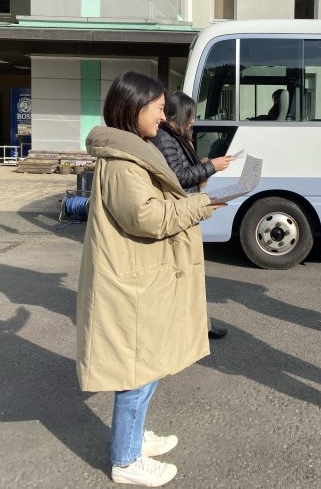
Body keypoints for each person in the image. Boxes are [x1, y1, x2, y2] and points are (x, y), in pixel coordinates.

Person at [76, 71, 220, 487]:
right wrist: (200, 205)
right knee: (135, 373)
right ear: (133, 107)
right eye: (157, 108)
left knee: (148, 365)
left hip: (142, 277)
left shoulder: (134, 152)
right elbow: (148, 217)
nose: (163, 115)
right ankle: (126, 459)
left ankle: (135, 438)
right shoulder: (125, 163)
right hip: (131, 283)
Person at [151, 90, 231, 339]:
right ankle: (193, 329)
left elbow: (183, 170)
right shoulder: (165, 139)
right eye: (190, 115)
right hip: (181, 212)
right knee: (184, 274)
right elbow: (177, 178)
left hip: (187, 210)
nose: (193, 120)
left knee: (192, 273)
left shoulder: (175, 137)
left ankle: (199, 326)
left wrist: (205, 167)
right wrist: (210, 167)